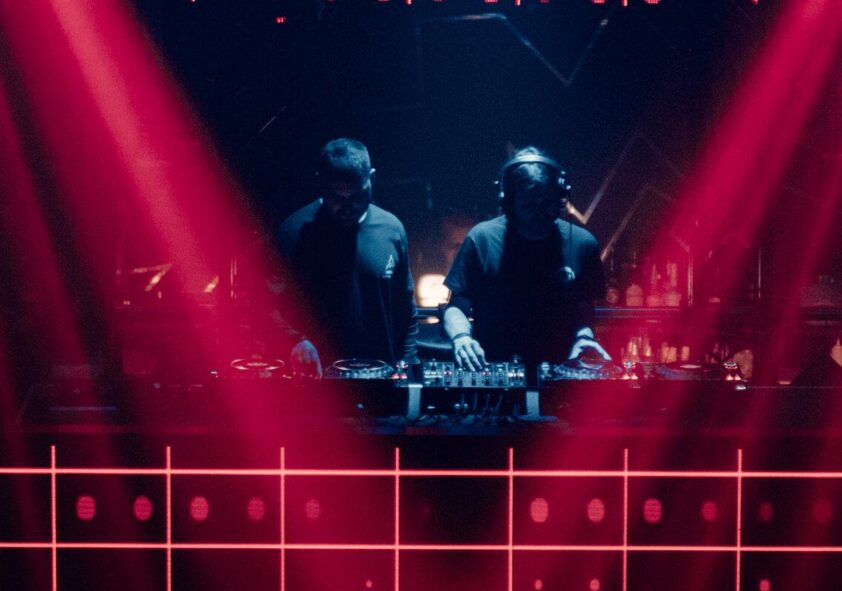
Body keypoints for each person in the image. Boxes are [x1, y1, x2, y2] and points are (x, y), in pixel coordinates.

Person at [442, 147, 610, 372]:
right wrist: (461, 337)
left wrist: (584, 337)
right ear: (508, 202)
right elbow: (456, 307)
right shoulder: (481, 239)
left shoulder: (582, 244)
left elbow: (584, 309)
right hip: (492, 367)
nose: (540, 212)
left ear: (561, 198)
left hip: (564, 370)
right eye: (529, 205)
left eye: (547, 203)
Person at [274, 138, 419, 375]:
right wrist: (295, 340)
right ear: (320, 183)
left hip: (382, 379)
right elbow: (269, 305)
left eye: (357, 196)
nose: (348, 206)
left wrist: (409, 365)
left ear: (372, 179)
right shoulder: (292, 234)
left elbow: (405, 307)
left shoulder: (392, 230)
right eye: (337, 198)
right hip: (317, 383)